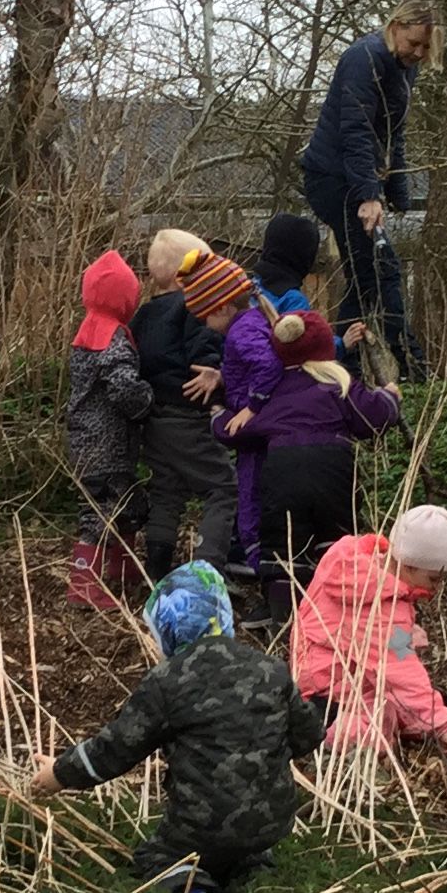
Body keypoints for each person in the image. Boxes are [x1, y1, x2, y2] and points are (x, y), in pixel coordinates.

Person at [31, 562, 329, 893]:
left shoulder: (167, 682)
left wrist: (59, 773)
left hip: (199, 826)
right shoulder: (271, 669)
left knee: (156, 856)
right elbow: (309, 734)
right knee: (247, 853)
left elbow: (115, 749)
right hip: (269, 825)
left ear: (168, 628)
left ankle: (192, 892)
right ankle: (258, 880)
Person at [302, 3, 435, 375]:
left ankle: (339, 365)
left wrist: (398, 191)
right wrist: (369, 196)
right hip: (333, 177)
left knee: (368, 274)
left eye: (426, 47)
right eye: (413, 43)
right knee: (381, 269)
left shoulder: (404, 70)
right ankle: (411, 365)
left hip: (360, 179)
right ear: (394, 27)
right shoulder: (363, 59)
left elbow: (394, 134)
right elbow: (357, 130)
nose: (419, 54)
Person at [227, 313, 402, 595]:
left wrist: (217, 417)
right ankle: (340, 600)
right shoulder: (339, 383)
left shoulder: (273, 390)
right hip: (332, 467)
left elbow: (240, 428)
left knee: (283, 541)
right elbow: (373, 417)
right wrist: (390, 397)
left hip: (282, 470)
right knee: (336, 539)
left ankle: (279, 607)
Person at [294, 503, 447, 762]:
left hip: (314, 667)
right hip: (328, 690)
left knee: (395, 692)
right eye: (434, 579)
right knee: (380, 725)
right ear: (409, 565)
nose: (437, 587)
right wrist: (440, 724)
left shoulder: (352, 561)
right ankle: (323, 734)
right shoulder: (382, 610)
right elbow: (401, 668)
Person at [176, 247, 287, 619]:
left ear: (222, 307)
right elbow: (253, 366)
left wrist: (250, 408)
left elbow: (268, 367)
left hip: (258, 438)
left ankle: (272, 597)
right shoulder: (251, 324)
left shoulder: (241, 332)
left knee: (252, 509)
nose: (205, 324)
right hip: (261, 436)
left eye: (205, 315)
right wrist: (223, 377)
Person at [131, 229, 239, 587]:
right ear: (187, 276)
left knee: (167, 489)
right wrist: (220, 387)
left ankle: (157, 568)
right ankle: (209, 570)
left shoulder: (142, 316)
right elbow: (204, 354)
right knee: (222, 486)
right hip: (188, 416)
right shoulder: (194, 307)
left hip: (155, 419)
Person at [65, 250, 153, 609]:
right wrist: (147, 400)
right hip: (107, 444)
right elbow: (121, 386)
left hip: (87, 441)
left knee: (126, 504)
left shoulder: (88, 332)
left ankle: (120, 567)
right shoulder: (112, 336)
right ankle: (84, 583)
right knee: (102, 511)